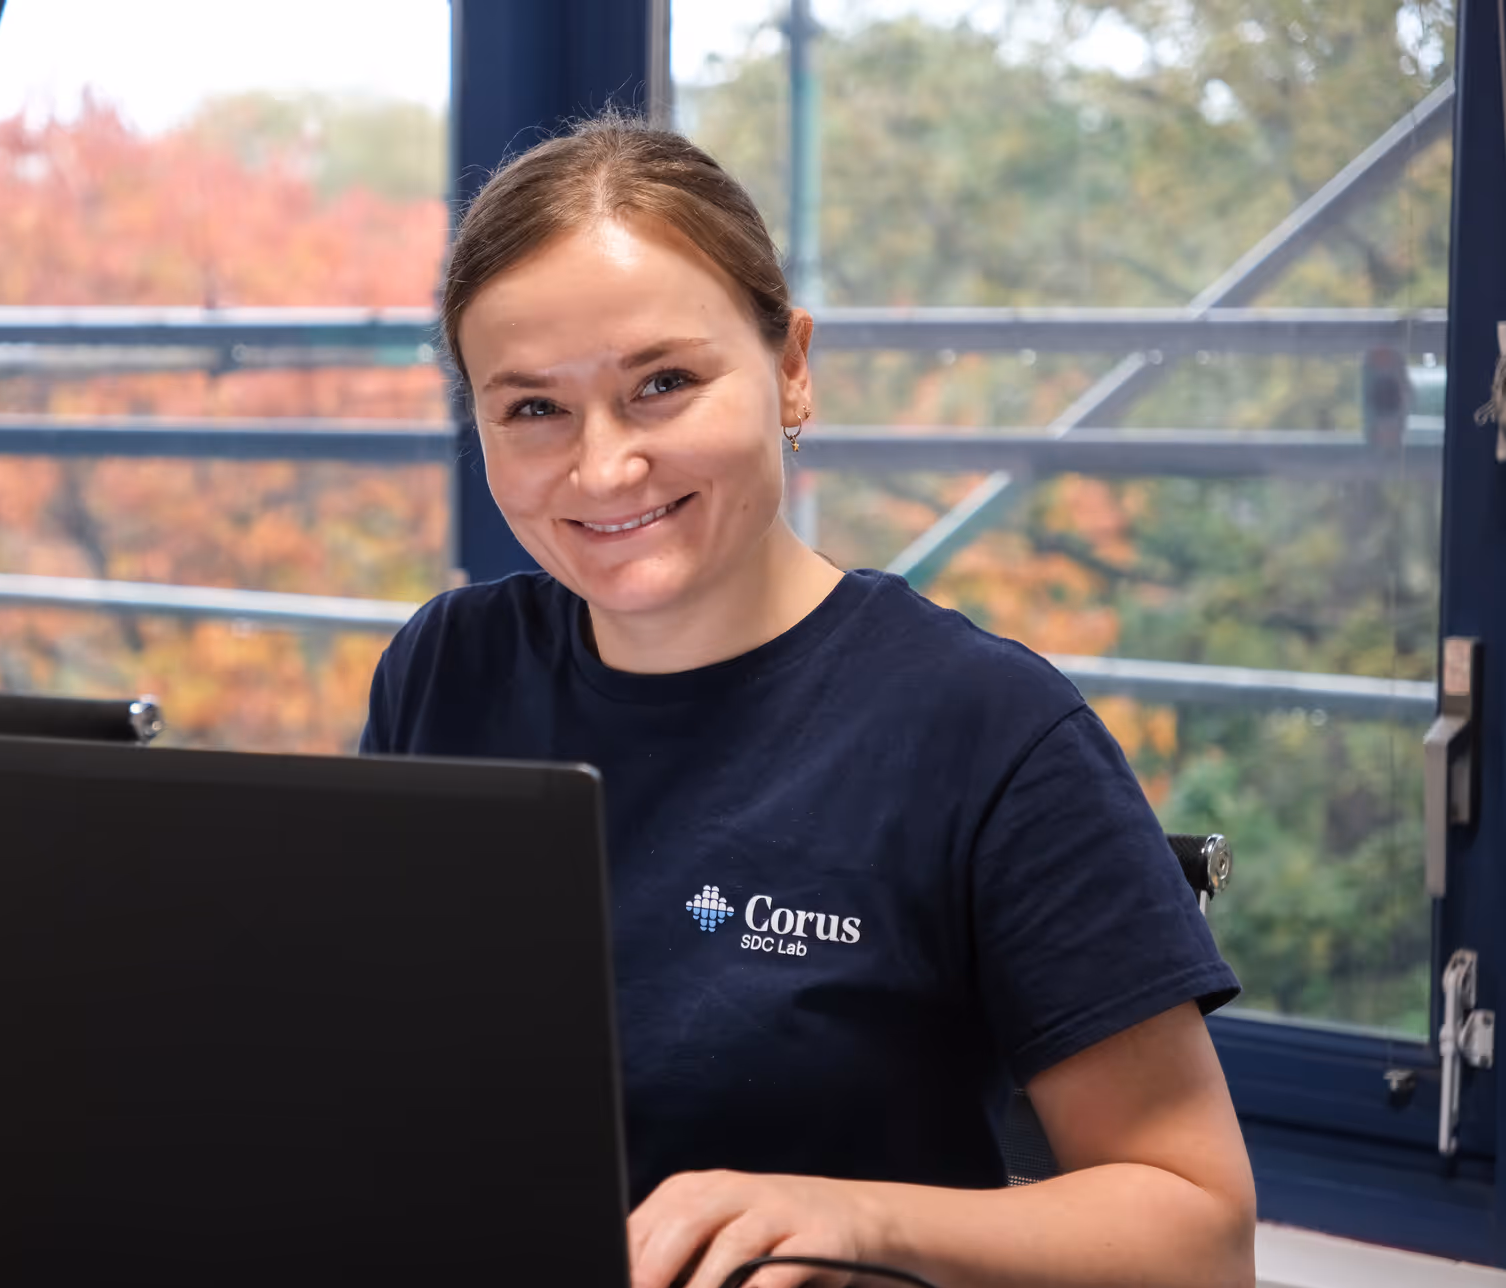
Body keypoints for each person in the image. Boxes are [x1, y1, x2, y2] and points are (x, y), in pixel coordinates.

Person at [360, 114, 1254, 1288]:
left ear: (790, 368)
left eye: (663, 385)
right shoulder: (445, 666)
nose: (602, 467)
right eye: (532, 408)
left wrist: (852, 1221)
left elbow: (1202, 1236)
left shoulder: (988, 731)